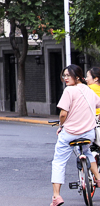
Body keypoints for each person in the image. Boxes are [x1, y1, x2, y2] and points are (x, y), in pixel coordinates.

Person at [50, 65, 100, 206]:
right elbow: (98, 104)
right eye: (64, 75)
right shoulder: (88, 90)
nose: (65, 78)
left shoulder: (69, 91)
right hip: (88, 133)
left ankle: (56, 197)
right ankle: (98, 177)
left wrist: (61, 126)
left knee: (59, 161)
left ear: (77, 76)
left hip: (70, 133)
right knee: (87, 151)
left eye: (68, 75)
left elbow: (63, 114)